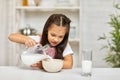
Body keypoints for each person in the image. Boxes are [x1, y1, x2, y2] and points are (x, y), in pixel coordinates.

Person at [8, 14, 73, 69]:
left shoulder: (64, 44)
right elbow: (11, 36)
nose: (56, 39)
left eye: (60, 36)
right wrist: (26, 39)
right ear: (47, 31)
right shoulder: (38, 40)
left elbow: (69, 64)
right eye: (53, 35)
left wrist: (44, 65)